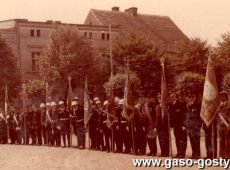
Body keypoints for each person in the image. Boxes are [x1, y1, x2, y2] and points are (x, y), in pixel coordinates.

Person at [184, 94, 202, 159]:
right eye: (189, 97)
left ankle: (198, 154)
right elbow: (186, 116)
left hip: (196, 125)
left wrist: (199, 125)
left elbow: (200, 115)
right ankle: (194, 153)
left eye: (192, 97)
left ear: (194, 97)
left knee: (196, 140)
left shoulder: (198, 104)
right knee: (192, 140)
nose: (191, 98)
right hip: (189, 125)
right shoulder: (187, 104)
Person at [169, 94, 187, 158]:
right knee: (177, 139)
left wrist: (184, 125)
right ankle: (178, 152)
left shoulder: (181, 104)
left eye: (173, 96)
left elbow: (184, 115)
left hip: (181, 125)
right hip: (175, 125)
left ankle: (182, 153)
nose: (171, 98)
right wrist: (171, 125)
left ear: (175, 97)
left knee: (182, 139)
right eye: (170, 97)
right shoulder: (170, 105)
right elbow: (170, 116)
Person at [217, 91, 230, 159]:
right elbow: (217, 115)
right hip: (220, 125)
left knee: (227, 141)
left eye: (223, 96)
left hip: (227, 125)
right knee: (221, 141)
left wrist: (228, 124)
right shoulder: (218, 104)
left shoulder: (228, 104)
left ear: (226, 96)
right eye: (221, 96)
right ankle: (221, 156)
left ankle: (227, 156)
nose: (222, 97)